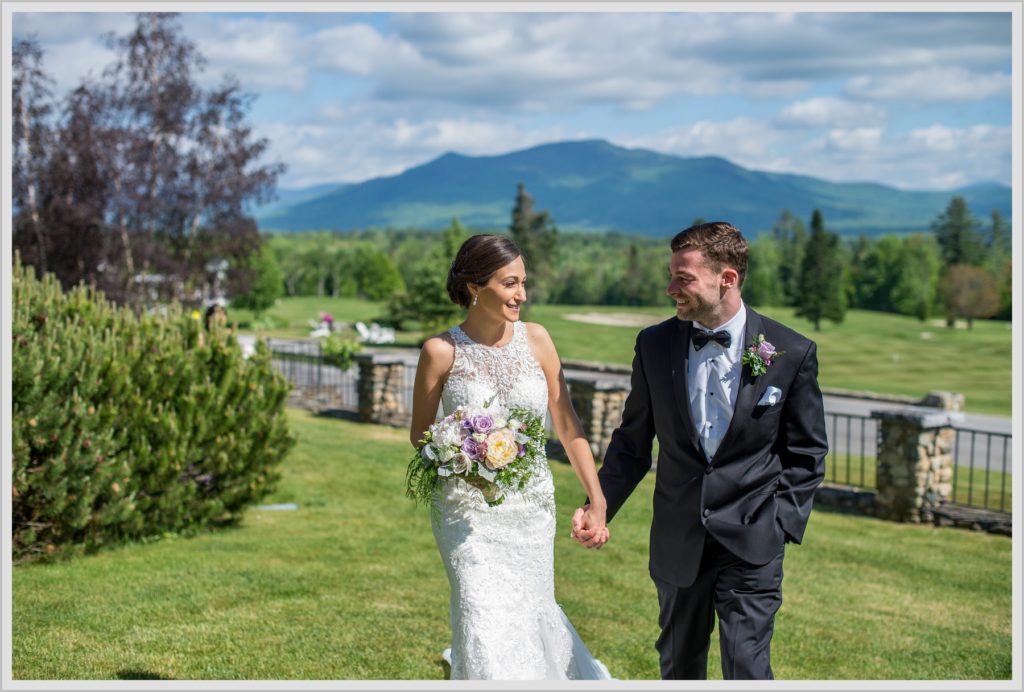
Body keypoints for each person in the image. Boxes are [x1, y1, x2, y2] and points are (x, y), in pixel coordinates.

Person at [572, 221, 827, 680]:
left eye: (683, 278)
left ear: (726, 279)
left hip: (753, 540)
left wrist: (781, 522)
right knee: (680, 666)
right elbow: (632, 443)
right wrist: (599, 504)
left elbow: (806, 453)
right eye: (671, 275)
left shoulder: (790, 351)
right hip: (677, 538)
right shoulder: (654, 345)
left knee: (747, 666)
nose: (671, 288)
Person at [410, 233, 613, 680]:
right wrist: (462, 448)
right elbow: (420, 437)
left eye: (523, 282)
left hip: (531, 506)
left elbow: (568, 424)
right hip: (466, 511)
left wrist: (596, 499)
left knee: (529, 609)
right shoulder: (440, 352)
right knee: (479, 610)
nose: (521, 294)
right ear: (475, 286)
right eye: (510, 283)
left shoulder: (538, 339)